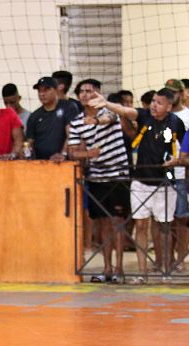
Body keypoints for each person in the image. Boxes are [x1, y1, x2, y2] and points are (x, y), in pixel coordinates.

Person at [89, 88, 185, 282]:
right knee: (141, 225)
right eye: (153, 102)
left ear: (168, 106)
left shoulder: (176, 123)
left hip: (165, 182)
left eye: (159, 103)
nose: (154, 105)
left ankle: (165, 269)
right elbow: (124, 111)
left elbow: (185, 149)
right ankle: (142, 273)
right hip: (140, 181)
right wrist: (106, 103)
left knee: (164, 226)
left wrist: (177, 161)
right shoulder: (143, 116)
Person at [68, 79, 130, 283]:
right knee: (102, 224)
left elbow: (108, 120)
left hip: (117, 176)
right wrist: (88, 154)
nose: (87, 94)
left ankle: (120, 269)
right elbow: (73, 152)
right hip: (96, 178)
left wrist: (95, 122)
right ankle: (107, 269)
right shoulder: (76, 122)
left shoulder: (108, 112)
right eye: (83, 92)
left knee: (117, 223)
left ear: (98, 94)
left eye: (91, 91)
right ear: (78, 97)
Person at [164, 79, 189, 270]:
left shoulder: (187, 115)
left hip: (181, 172)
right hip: (163, 172)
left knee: (181, 217)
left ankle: (181, 258)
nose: (172, 96)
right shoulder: (162, 115)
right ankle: (167, 258)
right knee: (165, 219)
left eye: (175, 93)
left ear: (182, 93)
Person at [27, 76, 80, 161]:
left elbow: (71, 134)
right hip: (41, 164)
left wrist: (63, 154)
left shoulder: (68, 107)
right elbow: (29, 142)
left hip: (64, 162)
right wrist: (25, 151)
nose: (42, 94)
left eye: (46, 90)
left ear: (56, 90)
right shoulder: (34, 116)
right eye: (40, 90)